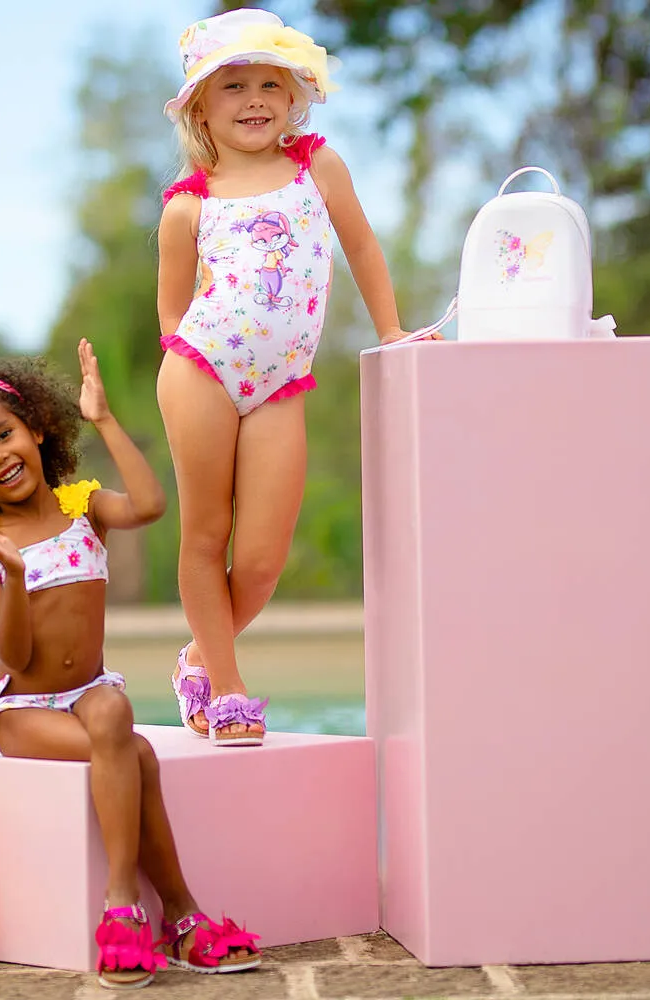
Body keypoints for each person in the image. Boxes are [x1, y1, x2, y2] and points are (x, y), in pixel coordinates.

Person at [0, 339, 260, 989]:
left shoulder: (80, 505)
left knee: (113, 709)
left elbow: (149, 506)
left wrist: (105, 420)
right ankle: (161, 911)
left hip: (91, 693)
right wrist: (11, 575)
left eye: (4, 435)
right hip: (26, 712)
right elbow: (14, 656)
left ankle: (149, 914)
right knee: (137, 753)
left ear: (35, 429)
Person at [157, 8, 440, 748]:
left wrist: (390, 329)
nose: (254, 99)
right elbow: (173, 311)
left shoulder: (319, 166)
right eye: (234, 86)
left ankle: (196, 655)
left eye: (269, 84)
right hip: (202, 370)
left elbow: (362, 246)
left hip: (283, 380)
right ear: (200, 108)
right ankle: (228, 688)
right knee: (206, 532)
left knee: (258, 559)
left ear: (292, 97)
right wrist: (192, 369)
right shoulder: (189, 204)